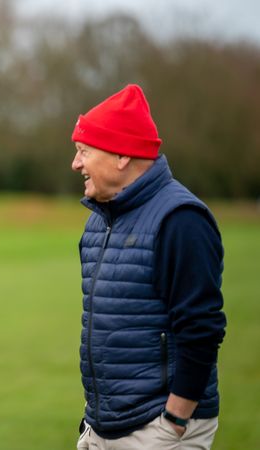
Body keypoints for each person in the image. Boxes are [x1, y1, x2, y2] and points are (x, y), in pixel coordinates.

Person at [70, 85, 226, 449]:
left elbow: (201, 329)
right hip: (103, 424)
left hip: (159, 427)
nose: (76, 164)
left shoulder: (181, 220)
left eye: (83, 151)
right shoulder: (99, 219)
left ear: (122, 156)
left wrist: (173, 422)